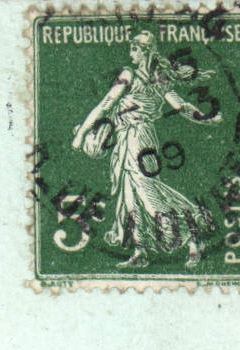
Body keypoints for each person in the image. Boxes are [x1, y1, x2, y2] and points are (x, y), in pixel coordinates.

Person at [70, 30, 222, 269]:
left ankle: (194, 233)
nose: (130, 54)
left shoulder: (129, 75)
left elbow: (105, 105)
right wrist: (205, 118)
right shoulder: (162, 79)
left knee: (146, 190)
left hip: (136, 137)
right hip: (135, 138)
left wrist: (81, 134)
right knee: (130, 193)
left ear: (146, 51)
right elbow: (182, 107)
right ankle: (140, 250)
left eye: (134, 49)